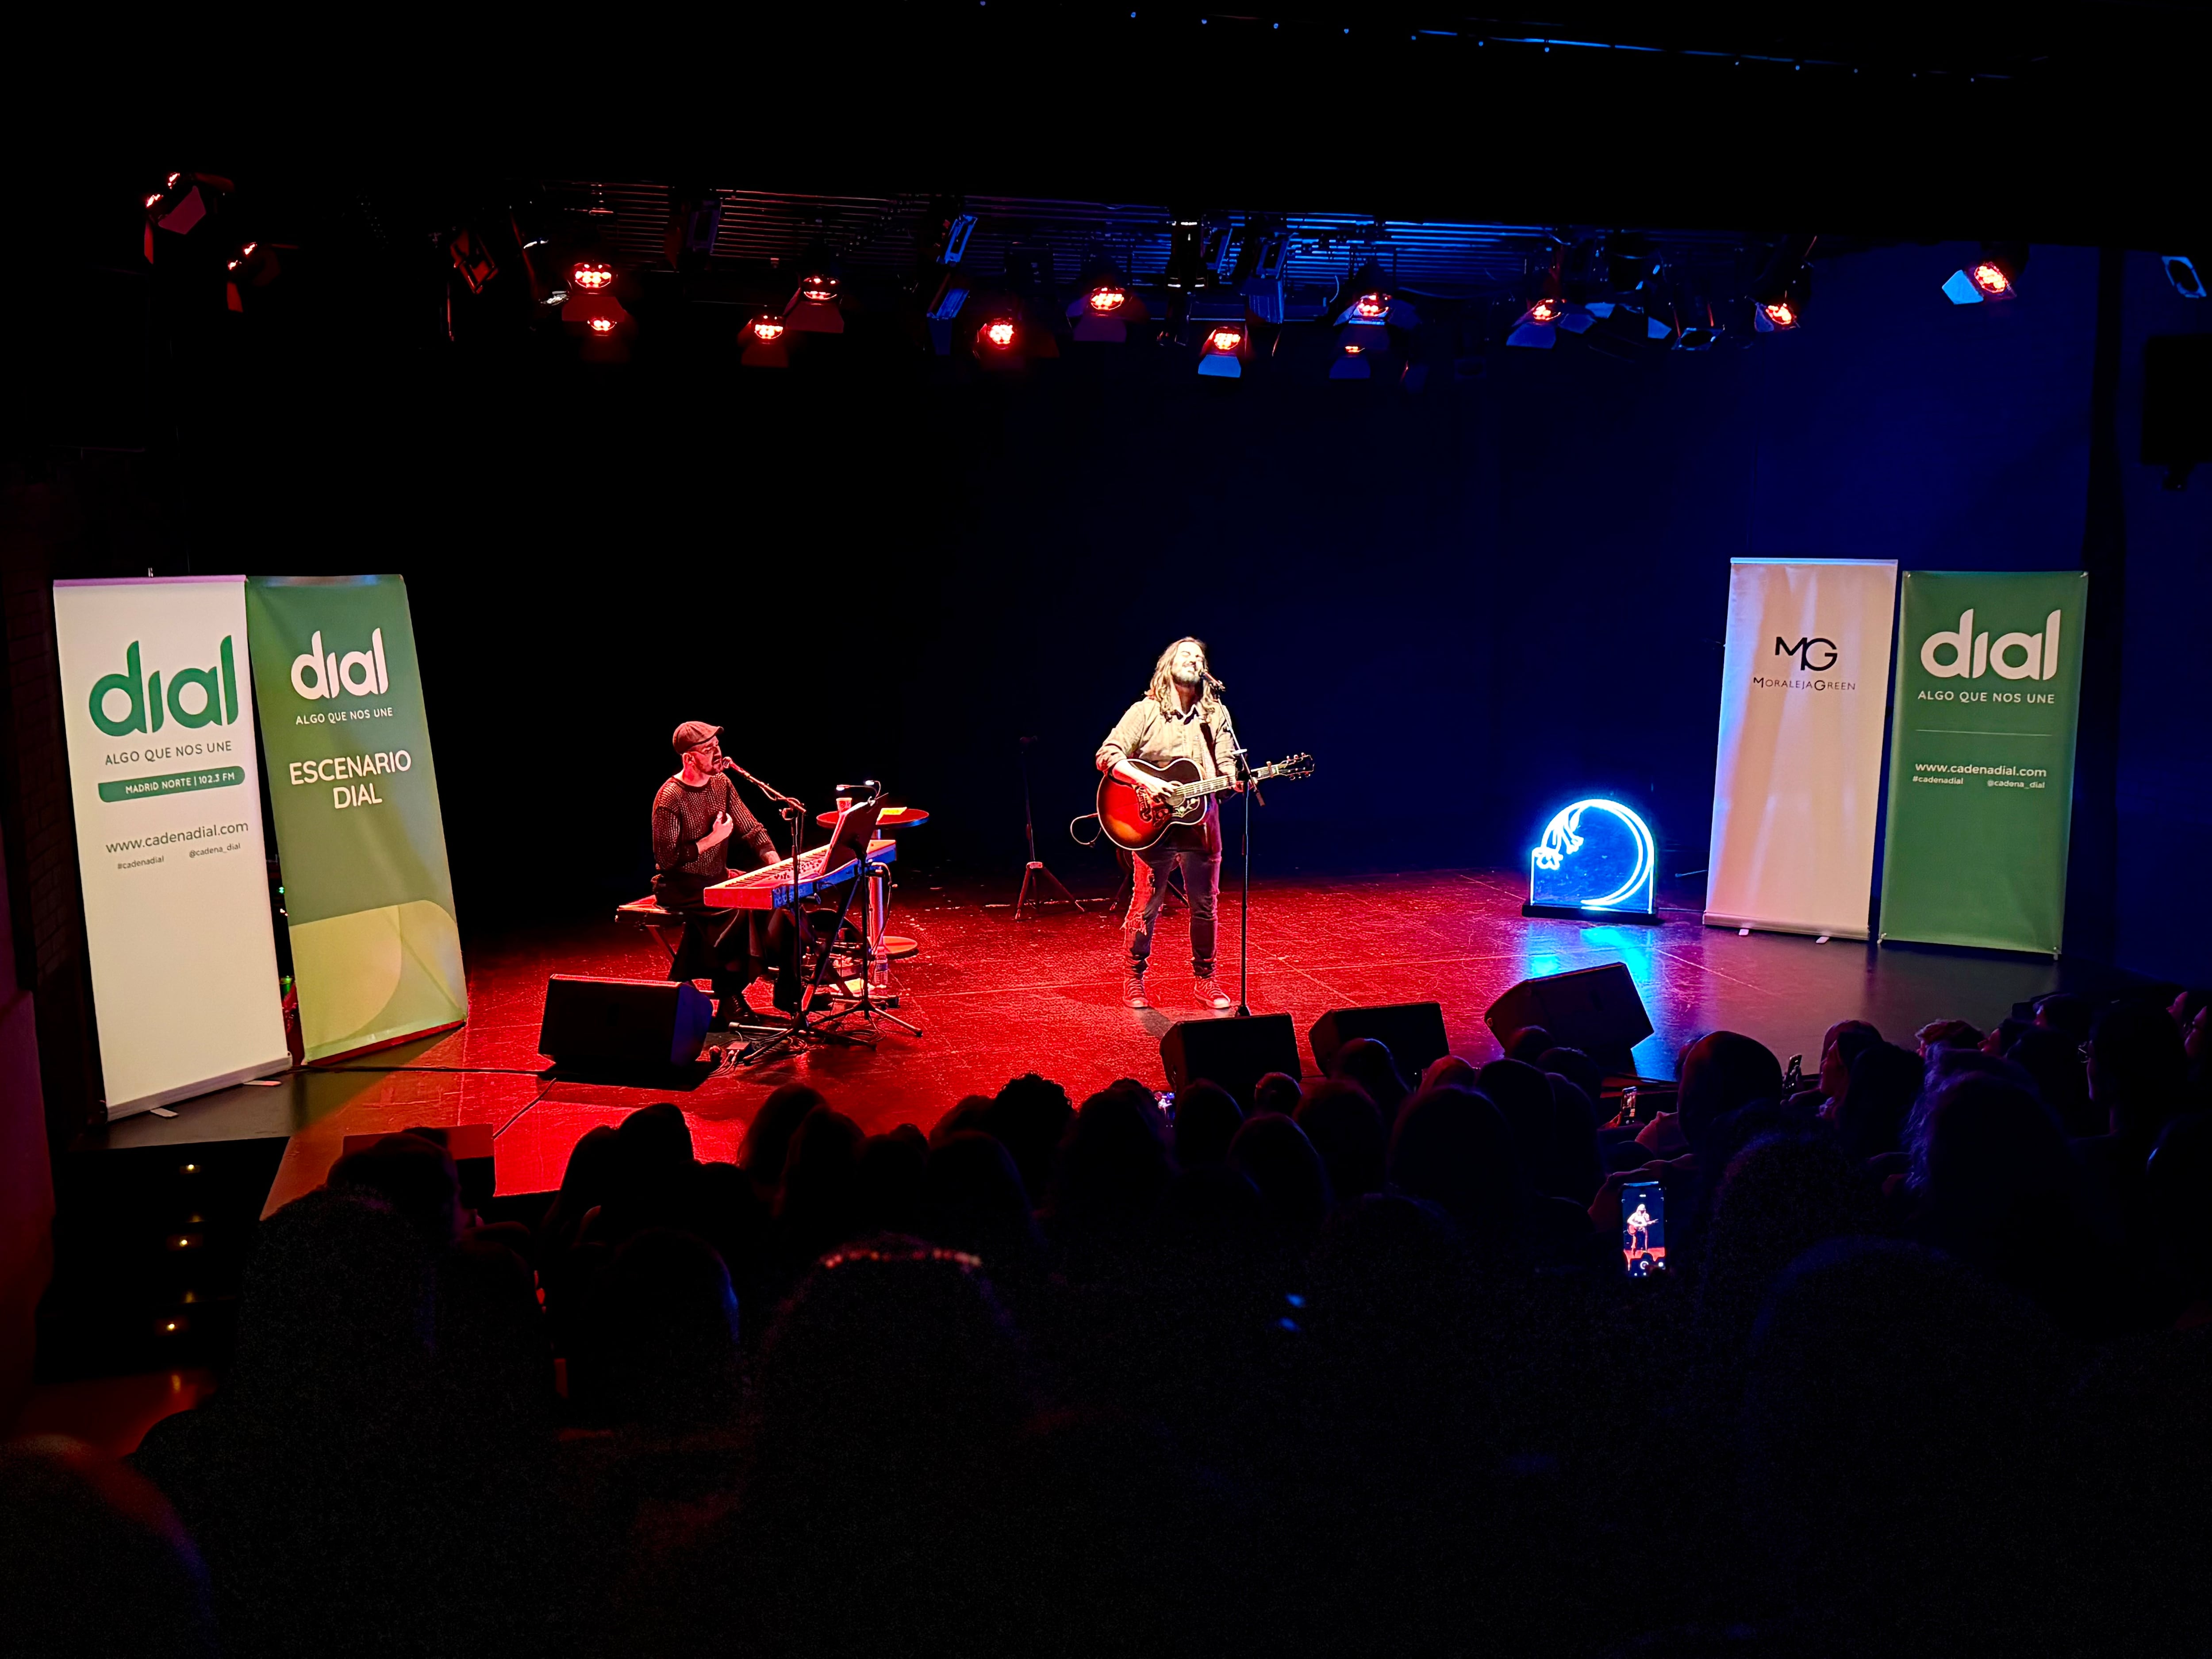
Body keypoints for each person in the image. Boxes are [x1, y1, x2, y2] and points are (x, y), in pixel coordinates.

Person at [1097, 637, 1244, 1011]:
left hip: (1202, 824)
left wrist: (1233, 780)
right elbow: (1108, 755)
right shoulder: (1145, 711)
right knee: (1147, 905)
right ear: (1168, 666)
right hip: (1152, 825)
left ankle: (1206, 979)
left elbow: (1227, 764)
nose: (1194, 660)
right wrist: (1148, 782)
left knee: (1205, 906)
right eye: (1185, 655)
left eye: (1199, 656)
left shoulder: (1216, 714)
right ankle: (1133, 977)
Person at [652, 721, 801, 1025]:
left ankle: (789, 991)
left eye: (717, 746)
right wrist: (712, 840)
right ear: (689, 758)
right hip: (681, 886)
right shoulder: (670, 798)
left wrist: (777, 866)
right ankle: (730, 997)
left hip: (716, 878)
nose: (717, 753)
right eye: (708, 750)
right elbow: (667, 860)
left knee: (778, 901)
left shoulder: (722, 783)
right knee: (739, 910)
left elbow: (752, 829)